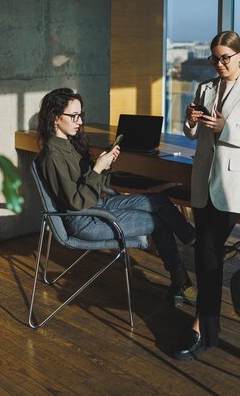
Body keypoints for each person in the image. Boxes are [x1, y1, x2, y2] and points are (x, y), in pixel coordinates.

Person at [36, 87, 197, 305]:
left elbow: (96, 186)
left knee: (157, 200)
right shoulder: (52, 155)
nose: (79, 121)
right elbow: (76, 202)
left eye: (80, 115)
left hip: (97, 206)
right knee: (156, 222)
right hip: (84, 220)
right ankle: (181, 281)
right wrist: (97, 169)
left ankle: (193, 240)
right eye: (73, 116)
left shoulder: (69, 145)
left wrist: (105, 165)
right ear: (56, 118)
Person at [174, 31, 240, 361]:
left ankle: (200, 326)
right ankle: (207, 328)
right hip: (203, 182)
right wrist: (190, 122)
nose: (219, 64)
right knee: (208, 254)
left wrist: (225, 127)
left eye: (225, 58)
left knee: (206, 252)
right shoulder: (205, 88)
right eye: (214, 58)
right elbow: (193, 133)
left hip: (232, 187)